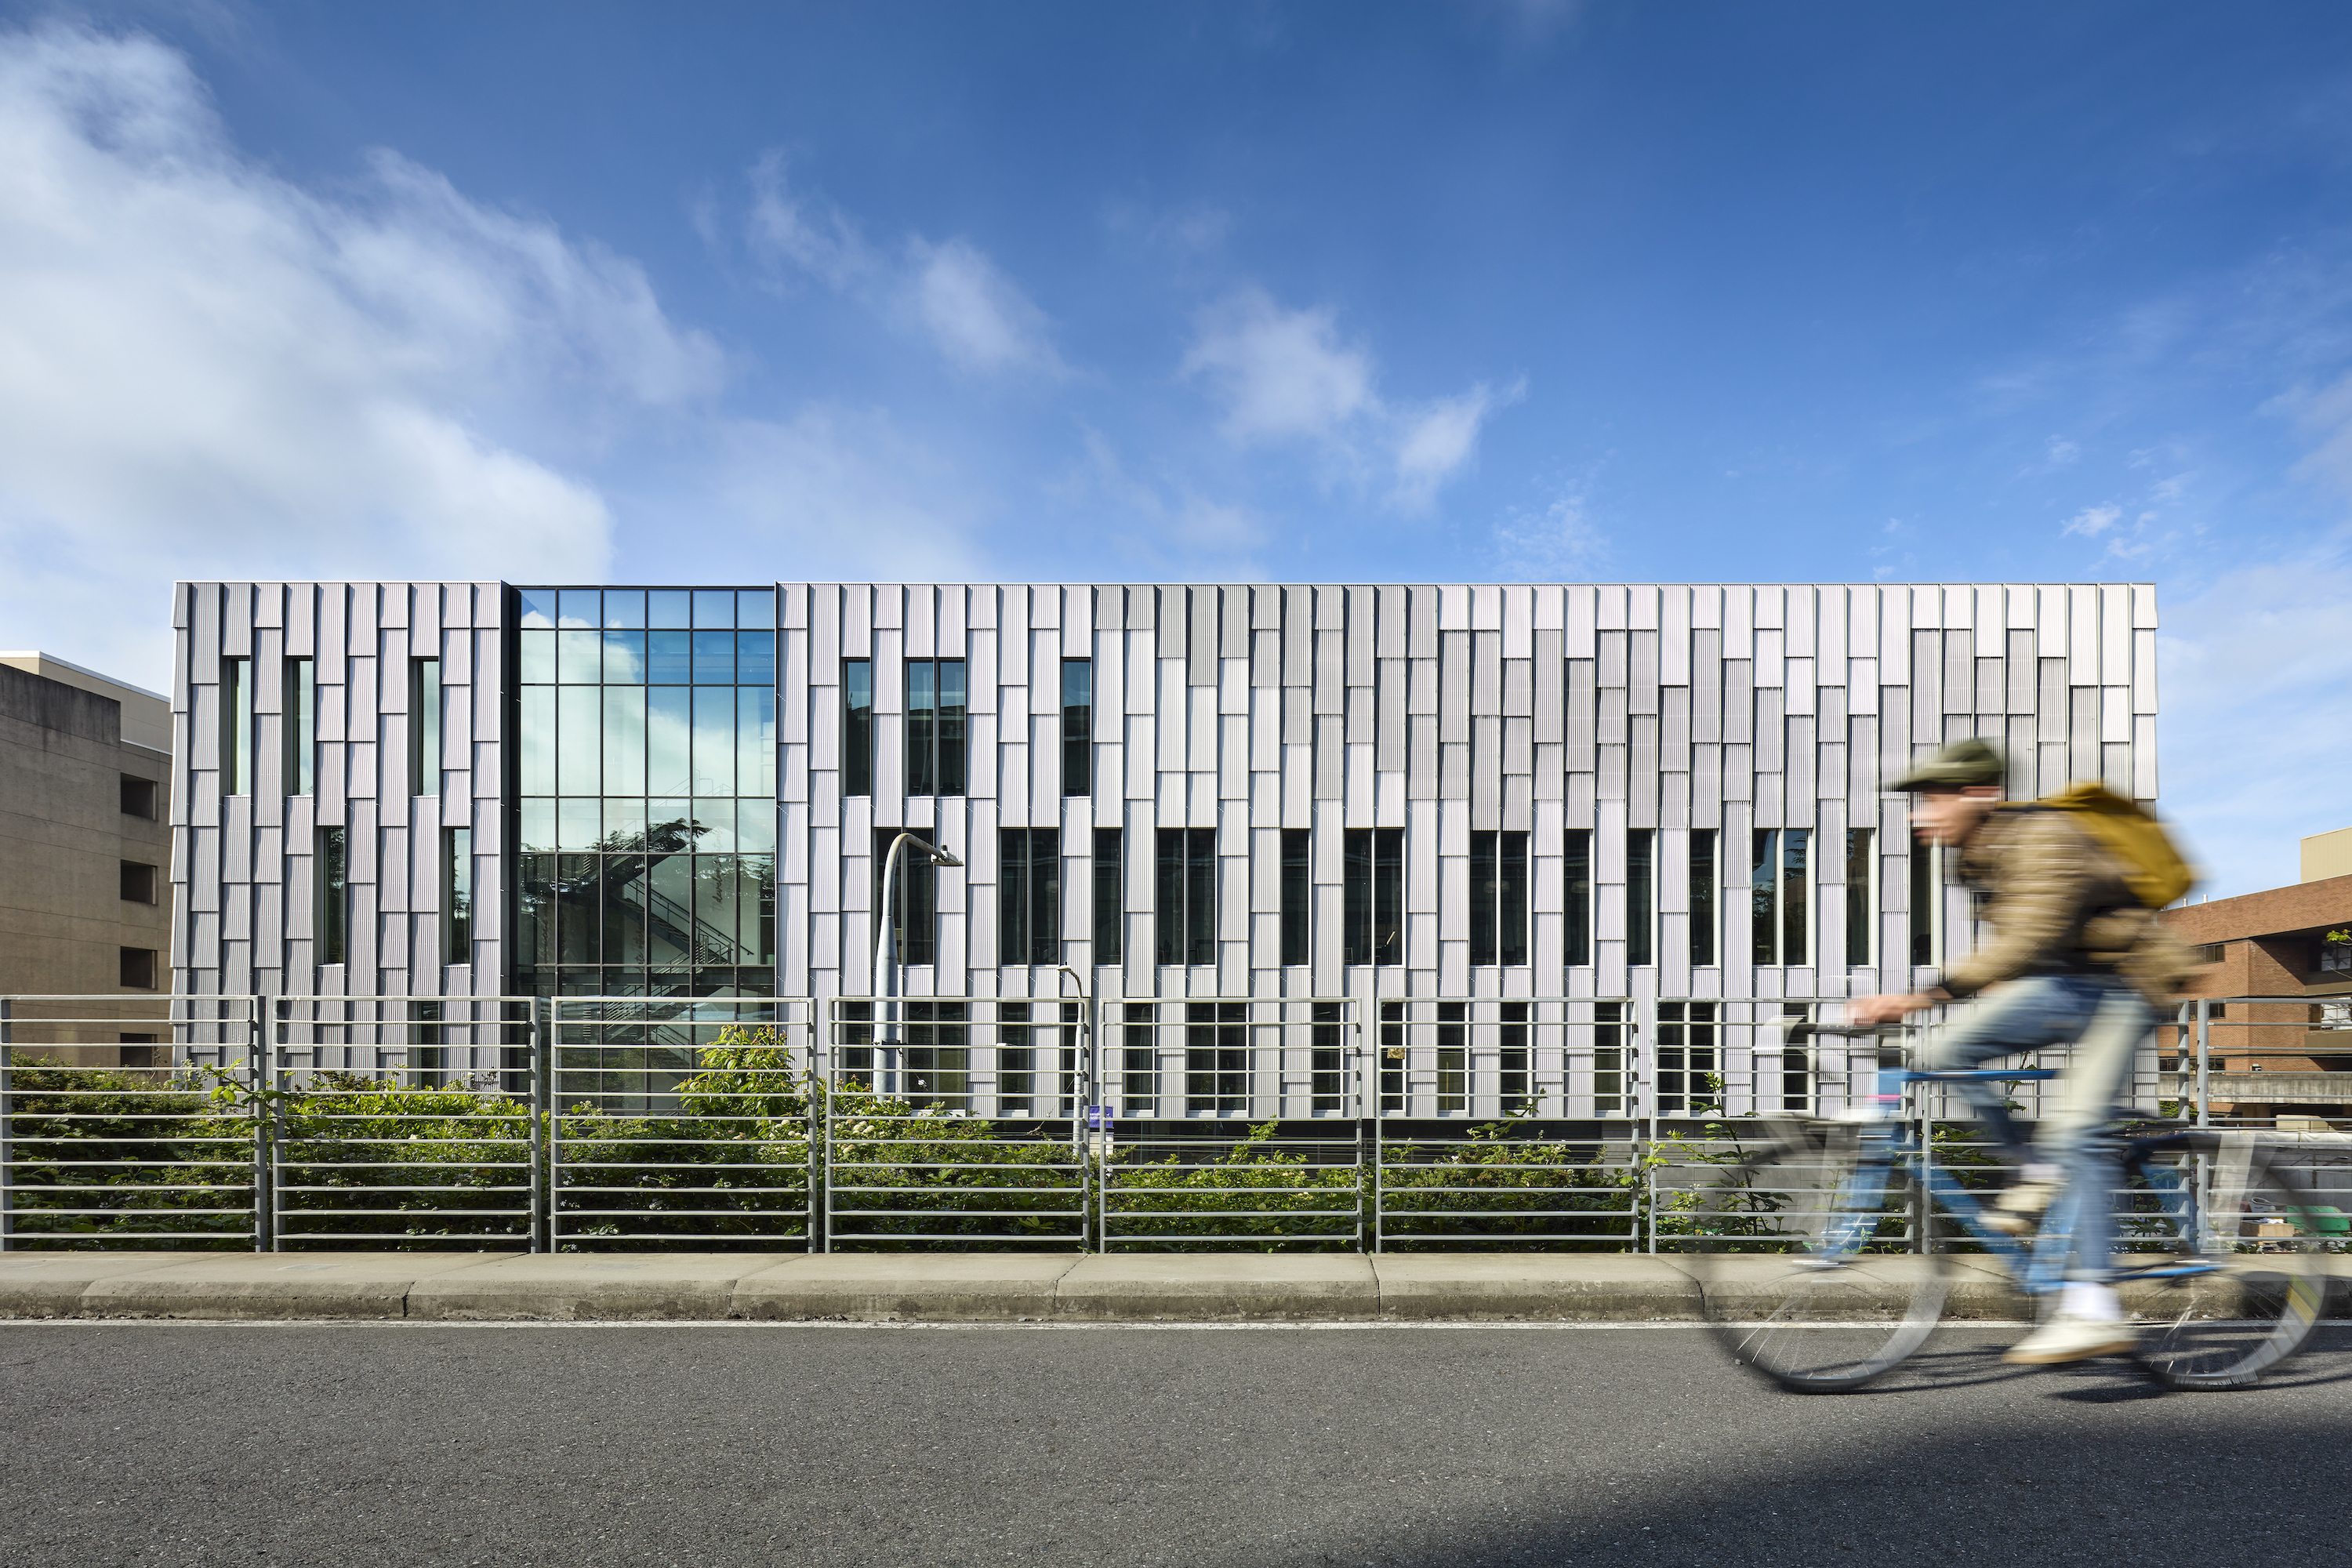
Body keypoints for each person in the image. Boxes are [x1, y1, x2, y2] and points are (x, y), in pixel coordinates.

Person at [1846, 739, 2198, 1367]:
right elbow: (2027, 941)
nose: (1917, 817)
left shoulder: (2044, 835)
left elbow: (2036, 930)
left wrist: (1926, 994)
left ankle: (2093, 1311)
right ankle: (2035, 1171)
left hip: (2126, 985)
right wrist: (1985, 996)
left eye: (1931, 801)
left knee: (2076, 1131)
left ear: (1980, 796)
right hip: (2067, 986)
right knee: (1943, 1047)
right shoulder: (1978, 855)